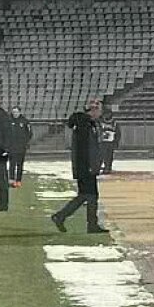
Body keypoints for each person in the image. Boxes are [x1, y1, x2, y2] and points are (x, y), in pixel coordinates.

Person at [51, 99, 107, 234]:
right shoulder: (85, 125)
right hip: (86, 166)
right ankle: (63, 217)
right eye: (99, 110)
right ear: (93, 110)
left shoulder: (86, 124)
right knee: (89, 195)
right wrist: (89, 166)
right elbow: (84, 149)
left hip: (86, 166)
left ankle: (67, 218)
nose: (100, 113)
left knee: (87, 195)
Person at [6, 105, 32, 187]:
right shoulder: (8, 121)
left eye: (16, 112)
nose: (15, 114)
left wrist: (25, 142)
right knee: (12, 164)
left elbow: (30, 133)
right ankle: (11, 180)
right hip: (11, 147)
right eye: (13, 112)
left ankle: (18, 180)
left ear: (20, 112)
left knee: (20, 164)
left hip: (21, 147)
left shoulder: (25, 121)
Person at [98, 109, 120, 174]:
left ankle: (108, 168)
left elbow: (118, 133)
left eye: (108, 114)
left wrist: (116, 141)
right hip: (102, 142)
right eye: (105, 114)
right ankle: (98, 167)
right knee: (101, 156)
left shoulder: (115, 123)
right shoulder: (100, 122)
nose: (106, 115)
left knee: (109, 156)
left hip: (111, 142)